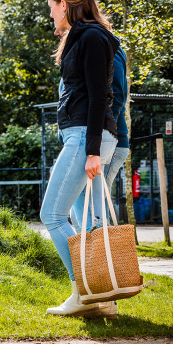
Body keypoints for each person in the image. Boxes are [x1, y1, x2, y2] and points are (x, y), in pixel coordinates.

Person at [41, 0, 119, 317]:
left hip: (87, 136)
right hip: (85, 135)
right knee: (80, 218)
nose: (51, 15)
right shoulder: (83, 37)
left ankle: (84, 291)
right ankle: (103, 296)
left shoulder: (91, 37)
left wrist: (91, 151)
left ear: (64, 4)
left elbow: (99, 96)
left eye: (51, 7)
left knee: (52, 215)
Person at [69, 42, 129, 233]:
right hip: (88, 141)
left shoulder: (105, 46)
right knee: (79, 215)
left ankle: (102, 261)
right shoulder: (80, 47)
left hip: (104, 142)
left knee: (93, 216)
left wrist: (104, 131)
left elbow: (117, 96)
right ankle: (91, 261)